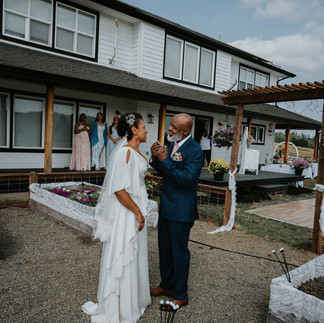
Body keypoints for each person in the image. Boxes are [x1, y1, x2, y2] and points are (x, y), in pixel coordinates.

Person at [82, 112, 158, 323]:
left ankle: (133, 299)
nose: (146, 130)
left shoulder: (136, 151)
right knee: (124, 254)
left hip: (135, 208)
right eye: (143, 127)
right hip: (127, 212)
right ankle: (121, 306)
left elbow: (137, 175)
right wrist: (137, 211)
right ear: (134, 130)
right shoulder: (124, 153)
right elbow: (118, 189)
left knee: (135, 255)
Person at [149, 113, 203, 308]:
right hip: (166, 207)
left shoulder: (195, 151)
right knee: (165, 251)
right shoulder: (174, 144)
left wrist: (165, 161)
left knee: (179, 254)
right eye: (170, 125)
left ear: (186, 131)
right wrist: (156, 159)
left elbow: (187, 179)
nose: (169, 129)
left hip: (181, 211)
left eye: (173, 127)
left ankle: (181, 294)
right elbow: (167, 170)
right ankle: (167, 286)